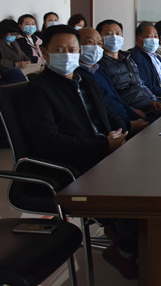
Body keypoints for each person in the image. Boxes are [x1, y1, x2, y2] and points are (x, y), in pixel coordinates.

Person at [20, 24, 138, 279]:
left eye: (73, 50)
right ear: (45, 53)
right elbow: (50, 142)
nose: (68, 55)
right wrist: (104, 145)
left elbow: (112, 116)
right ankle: (125, 251)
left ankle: (125, 234)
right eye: (59, 49)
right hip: (71, 168)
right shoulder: (37, 91)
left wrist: (119, 133)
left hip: (104, 155)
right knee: (137, 192)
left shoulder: (86, 82)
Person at [75, 27, 150, 135]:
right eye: (90, 42)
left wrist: (132, 112)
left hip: (126, 118)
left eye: (99, 43)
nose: (96, 47)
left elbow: (115, 97)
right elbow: (100, 111)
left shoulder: (98, 69)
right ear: (77, 46)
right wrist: (128, 125)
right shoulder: (78, 76)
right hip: (116, 129)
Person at [96, 19, 161, 116]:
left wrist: (153, 100)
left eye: (118, 33)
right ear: (100, 38)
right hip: (128, 110)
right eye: (109, 34)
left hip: (147, 103)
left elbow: (140, 84)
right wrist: (131, 111)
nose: (114, 37)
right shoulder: (99, 65)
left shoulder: (128, 58)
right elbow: (111, 96)